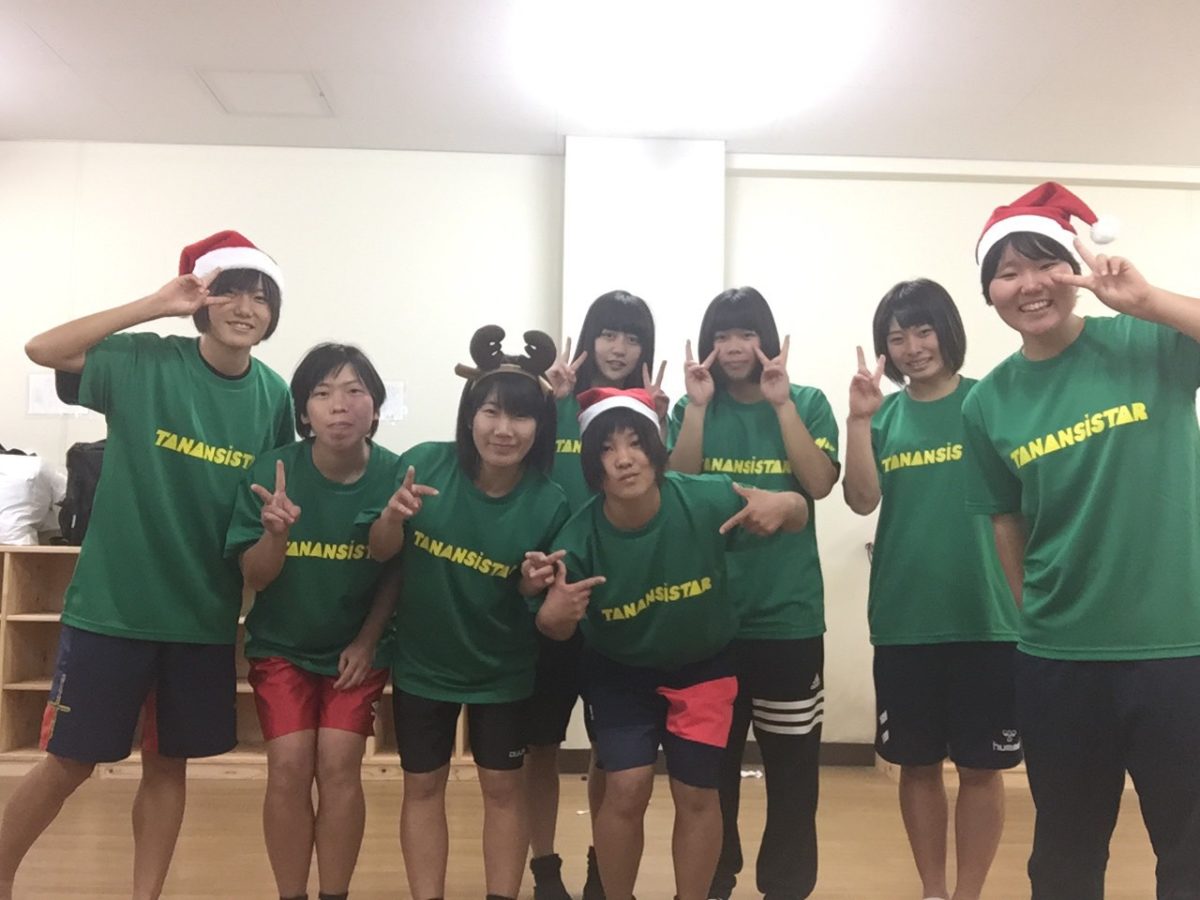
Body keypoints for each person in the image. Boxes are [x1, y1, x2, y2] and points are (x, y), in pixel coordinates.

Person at [1, 230, 293, 900]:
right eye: (229, 292)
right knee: (70, 761)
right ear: (201, 299)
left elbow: (261, 511)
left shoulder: (272, 395)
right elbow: (44, 349)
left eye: (261, 297)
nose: (245, 308)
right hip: (114, 609)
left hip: (201, 617)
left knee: (169, 767)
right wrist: (156, 303)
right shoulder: (146, 360)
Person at [961, 182, 1200, 898]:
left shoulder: (1148, 343)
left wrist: (1148, 301)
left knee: (1190, 850)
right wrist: (1033, 614)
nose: (1030, 284)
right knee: (1065, 854)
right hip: (1059, 658)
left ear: (1075, 269)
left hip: (1175, 648)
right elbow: (1006, 518)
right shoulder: (987, 402)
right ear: (990, 292)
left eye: (1046, 263)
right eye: (1008, 271)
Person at [538, 386, 809, 900]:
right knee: (625, 786)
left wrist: (788, 502)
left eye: (635, 443)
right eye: (606, 449)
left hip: (704, 665)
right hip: (619, 672)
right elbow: (554, 626)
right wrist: (554, 616)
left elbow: (795, 512)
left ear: (655, 448)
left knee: (698, 791)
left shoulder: (705, 498)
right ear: (592, 466)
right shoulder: (578, 538)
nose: (624, 459)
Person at [367, 325, 570, 900]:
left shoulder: (549, 502)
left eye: (520, 416)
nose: (504, 429)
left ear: (540, 425)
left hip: (502, 673)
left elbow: (540, 601)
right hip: (422, 667)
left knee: (503, 792)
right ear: (470, 415)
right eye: (491, 412)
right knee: (422, 787)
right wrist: (392, 518)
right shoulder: (423, 465)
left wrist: (531, 584)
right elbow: (381, 554)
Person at [842, 280, 1019, 900]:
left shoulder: (988, 401)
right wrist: (858, 421)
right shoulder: (885, 417)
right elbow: (861, 499)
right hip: (905, 619)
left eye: (923, 331)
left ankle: (968, 893)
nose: (913, 347)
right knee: (916, 767)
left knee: (981, 768)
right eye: (898, 337)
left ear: (948, 332)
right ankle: (933, 891)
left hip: (988, 617)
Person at [668, 286, 839, 900]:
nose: (734, 347)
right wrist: (695, 408)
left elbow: (819, 483)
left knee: (793, 773)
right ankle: (716, 879)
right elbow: (675, 486)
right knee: (710, 771)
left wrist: (782, 404)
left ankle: (786, 887)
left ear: (766, 339)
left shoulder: (808, 402)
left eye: (745, 334)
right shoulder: (693, 406)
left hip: (788, 621)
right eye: (721, 336)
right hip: (710, 623)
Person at [225, 343, 403, 900]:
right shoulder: (270, 472)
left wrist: (368, 641)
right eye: (322, 394)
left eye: (354, 391)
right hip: (282, 646)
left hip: (355, 649)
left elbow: (398, 571)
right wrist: (275, 534)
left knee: (340, 763)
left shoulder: (396, 474)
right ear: (303, 411)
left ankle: (334, 894)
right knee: (288, 766)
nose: (339, 405)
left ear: (375, 405)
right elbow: (255, 577)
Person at [532, 290, 667, 900]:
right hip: (551, 598)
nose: (619, 348)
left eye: (633, 338)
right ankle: (544, 868)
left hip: (620, 606)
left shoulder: (649, 415)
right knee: (541, 744)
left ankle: (600, 866)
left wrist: (663, 418)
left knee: (611, 753)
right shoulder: (553, 401)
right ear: (589, 339)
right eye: (609, 334)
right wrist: (549, 401)